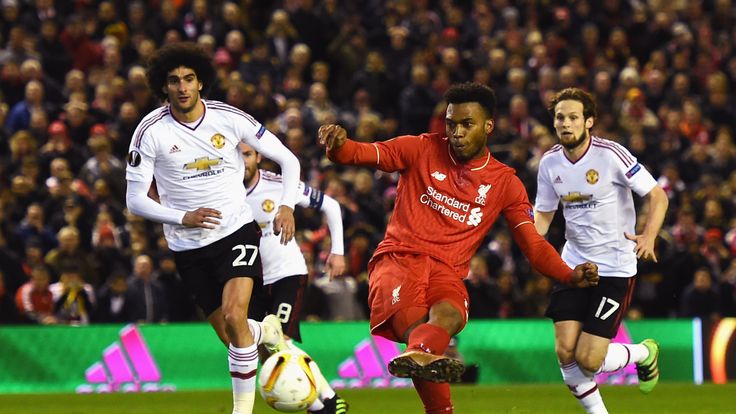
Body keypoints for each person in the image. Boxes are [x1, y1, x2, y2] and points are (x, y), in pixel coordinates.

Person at [318, 82, 599, 414]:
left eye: (467, 125)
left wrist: (568, 275)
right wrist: (339, 146)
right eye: (452, 124)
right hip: (399, 261)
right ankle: (423, 355)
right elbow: (366, 153)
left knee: (446, 317)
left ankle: (423, 357)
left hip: (447, 273)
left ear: (488, 127)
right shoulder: (420, 147)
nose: (457, 133)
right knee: (421, 337)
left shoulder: (505, 182)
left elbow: (533, 245)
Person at [124, 42, 300, 414]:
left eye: (189, 79)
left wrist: (286, 205)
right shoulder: (149, 132)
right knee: (234, 337)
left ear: (201, 82)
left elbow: (288, 158)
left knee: (236, 316)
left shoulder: (229, 118)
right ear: (164, 87)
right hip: (187, 246)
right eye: (174, 81)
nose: (182, 87)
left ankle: (242, 411)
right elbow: (135, 200)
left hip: (235, 231)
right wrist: (181, 217)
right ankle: (265, 333)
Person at [534, 87, 669, 414]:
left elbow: (657, 195)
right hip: (574, 266)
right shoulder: (550, 163)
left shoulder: (611, 155)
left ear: (589, 121)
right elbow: (544, 213)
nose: (565, 124)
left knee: (589, 359)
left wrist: (648, 235)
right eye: (560, 118)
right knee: (566, 352)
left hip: (615, 269)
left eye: (573, 117)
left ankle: (642, 353)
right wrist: (532, 245)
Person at [240, 142, 348, 414]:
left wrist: (337, 252)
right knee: (266, 351)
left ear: (258, 156)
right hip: (249, 281)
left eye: (247, 154)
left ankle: (327, 402)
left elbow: (331, 206)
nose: (242, 160)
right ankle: (323, 403)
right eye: (236, 154)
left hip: (286, 274)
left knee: (281, 342)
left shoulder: (278, 185)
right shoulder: (222, 192)